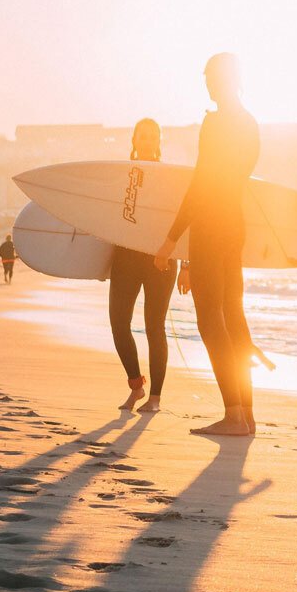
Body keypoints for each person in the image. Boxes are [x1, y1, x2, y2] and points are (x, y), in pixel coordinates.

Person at [153, 55, 260, 437]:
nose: (208, 86)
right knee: (233, 315)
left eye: (211, 79)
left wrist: (170, 241)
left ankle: (233, 415)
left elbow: (201, 184)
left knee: (210, 319)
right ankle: (246, 414)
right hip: (235, 224)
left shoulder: (215, 124)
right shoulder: (250, 124)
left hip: (212, 227)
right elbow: (236, 179)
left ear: (224, 80)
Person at [109, 119, 176, 414]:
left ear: (159, 141)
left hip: (160, 258)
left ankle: (155, 399)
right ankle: (137, 386)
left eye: (153, 136)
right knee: (118, 323)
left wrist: (186, 263)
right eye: (143, 136)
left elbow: (182, 220)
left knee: (154, 327)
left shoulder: (170, 177)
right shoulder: (120, 174)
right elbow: (107, 213)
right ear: (134, 140)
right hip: (125, 255)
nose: (148, 141)